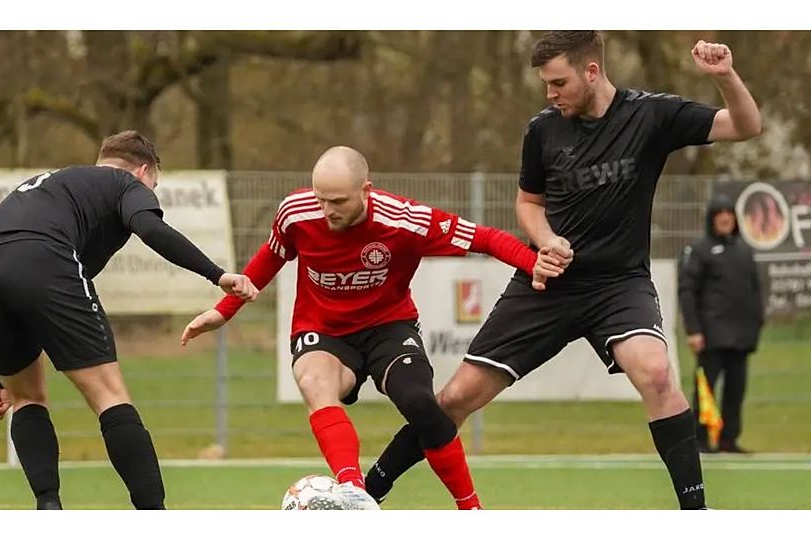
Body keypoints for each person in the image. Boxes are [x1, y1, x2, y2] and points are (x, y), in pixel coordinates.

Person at [363, 31, 762, 510]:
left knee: (657, 374)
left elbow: (745, 125)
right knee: (454, 399)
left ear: (591, 71)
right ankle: (366, 495)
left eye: (558, 82)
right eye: (546, 85)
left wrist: (725, 77)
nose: (550, 94)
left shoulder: (652, 115)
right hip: (546, 285)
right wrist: (547, 240)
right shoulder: (543, 130)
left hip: (619, 286)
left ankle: (696, 515)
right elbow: (528, 203)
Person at [181, 145, 559, 510]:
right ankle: (354, 494)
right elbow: (272, 256)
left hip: (388, 327)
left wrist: (534, 263)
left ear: (366, 190)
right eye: (321, 198)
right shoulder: (296, 213)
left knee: (421, 404)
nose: (327, 210)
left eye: (339, 201)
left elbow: (486, 238)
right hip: (323, 330)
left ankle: (471, 510)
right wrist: (224, 310)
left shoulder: (405, 219)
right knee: (316, 384)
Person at [0, 130, 258, 510]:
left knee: (25, 397)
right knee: (109, 396)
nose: (151, 194)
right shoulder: (124, 183)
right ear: (143, 171)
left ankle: (48, 508)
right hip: (41, 257)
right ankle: (154, 516)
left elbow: (24, 286)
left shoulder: (60, 185)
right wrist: (218, 275)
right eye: (154, 186)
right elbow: (150, 228)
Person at [678, 193, 764, 454]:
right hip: (711, 335)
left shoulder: (744, 251)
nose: (725, 218)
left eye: (729, 213)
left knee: (736, 390)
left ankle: (729, 439)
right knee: (706, 389)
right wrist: (694, 330)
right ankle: (702, 439)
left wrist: (757, 323)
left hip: (741, 337)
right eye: (720, 213)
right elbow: (687, 291)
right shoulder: (699, 251)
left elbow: (755, 290)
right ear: (712, 218)